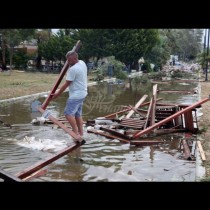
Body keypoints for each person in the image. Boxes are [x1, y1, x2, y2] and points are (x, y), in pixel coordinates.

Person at [51, 51, 88, 143]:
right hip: (83, 92)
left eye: (70, 60)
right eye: (67, 60)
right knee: (77, 114)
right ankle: (81, 133)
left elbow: (66, 84)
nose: (68, 62)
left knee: (68, 114)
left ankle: (75, 133)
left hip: (76, 95)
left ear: (75, 58)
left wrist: (57, 94)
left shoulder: (73, 69)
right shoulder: (82, 63)